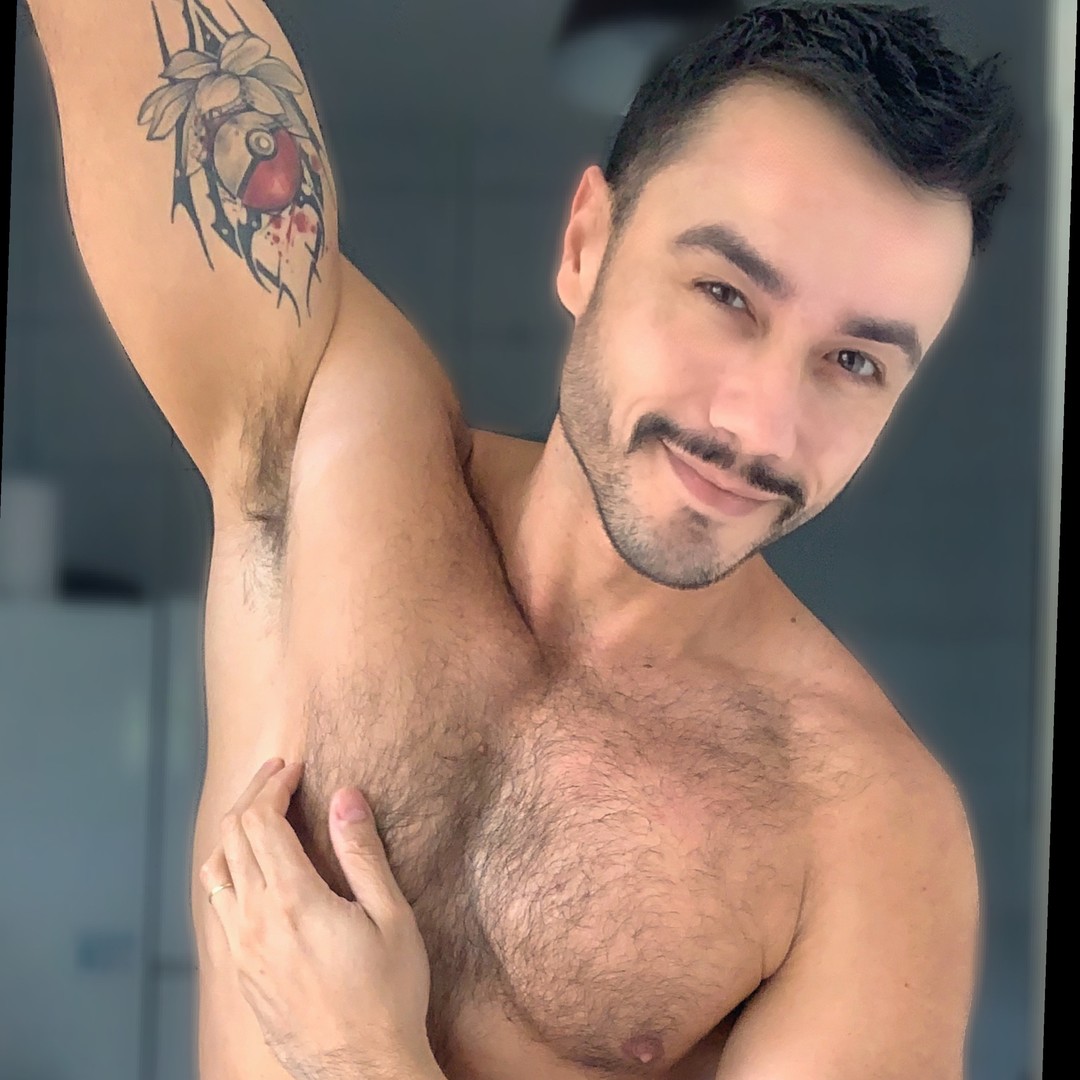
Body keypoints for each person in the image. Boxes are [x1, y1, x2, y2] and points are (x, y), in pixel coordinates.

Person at [24, 0, 1022, 1077]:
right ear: (586, 245)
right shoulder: (331, 446)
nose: (759, 426)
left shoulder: (868, 832)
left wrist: (365, 1054)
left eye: (856, 363)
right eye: (726, 294)